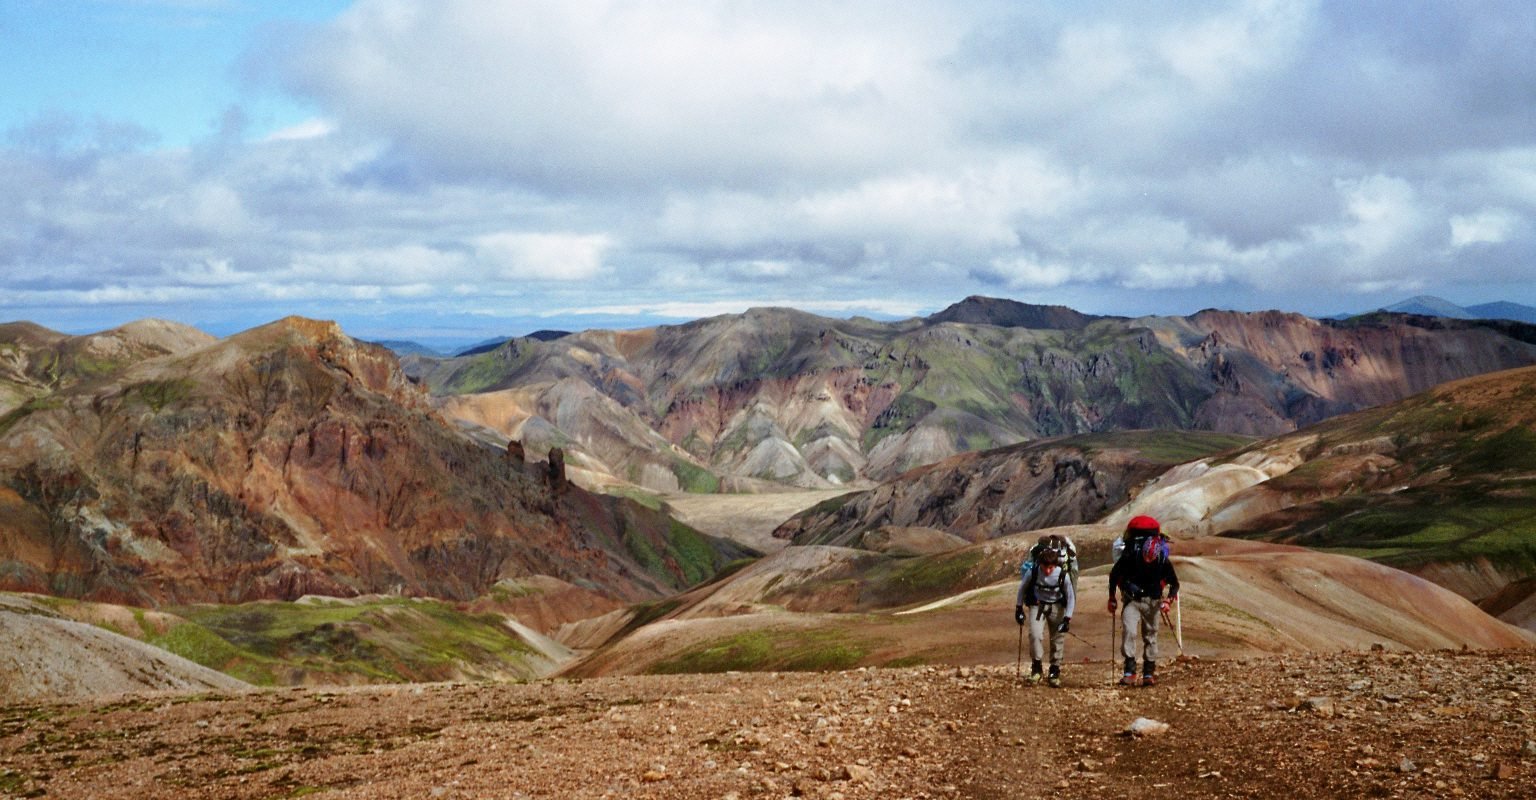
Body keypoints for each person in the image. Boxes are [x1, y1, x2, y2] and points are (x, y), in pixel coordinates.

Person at [1108, 515, 1179, 687]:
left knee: (1150, 636)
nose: (1148, 560)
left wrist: (1168, 601)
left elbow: (1174, 583)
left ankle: (1148, 672)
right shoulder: (1131, 556)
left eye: (1150, 558)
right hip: (1132, 600)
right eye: (1145, 556)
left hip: (1153, 601)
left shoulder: (1162, 561)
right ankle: (1129, 671)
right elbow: (1114, 575)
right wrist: (1112, 598)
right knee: (1129, 631)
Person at [1015, 536, 1075, 687]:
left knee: (1057, 638)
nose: (1048, 571)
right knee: (1035, 635)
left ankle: (1055, 671)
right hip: (1038, 605)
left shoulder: (1063, 575)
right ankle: (1037, 668)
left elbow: (1070, 597)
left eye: (1051, 567)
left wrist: (1067, 618)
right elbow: (1022, 589)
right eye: (1045, 567)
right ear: (1040, 563)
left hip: (1057, 606)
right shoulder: (1033, 571)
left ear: (1055, 565)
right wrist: (1019, 608)